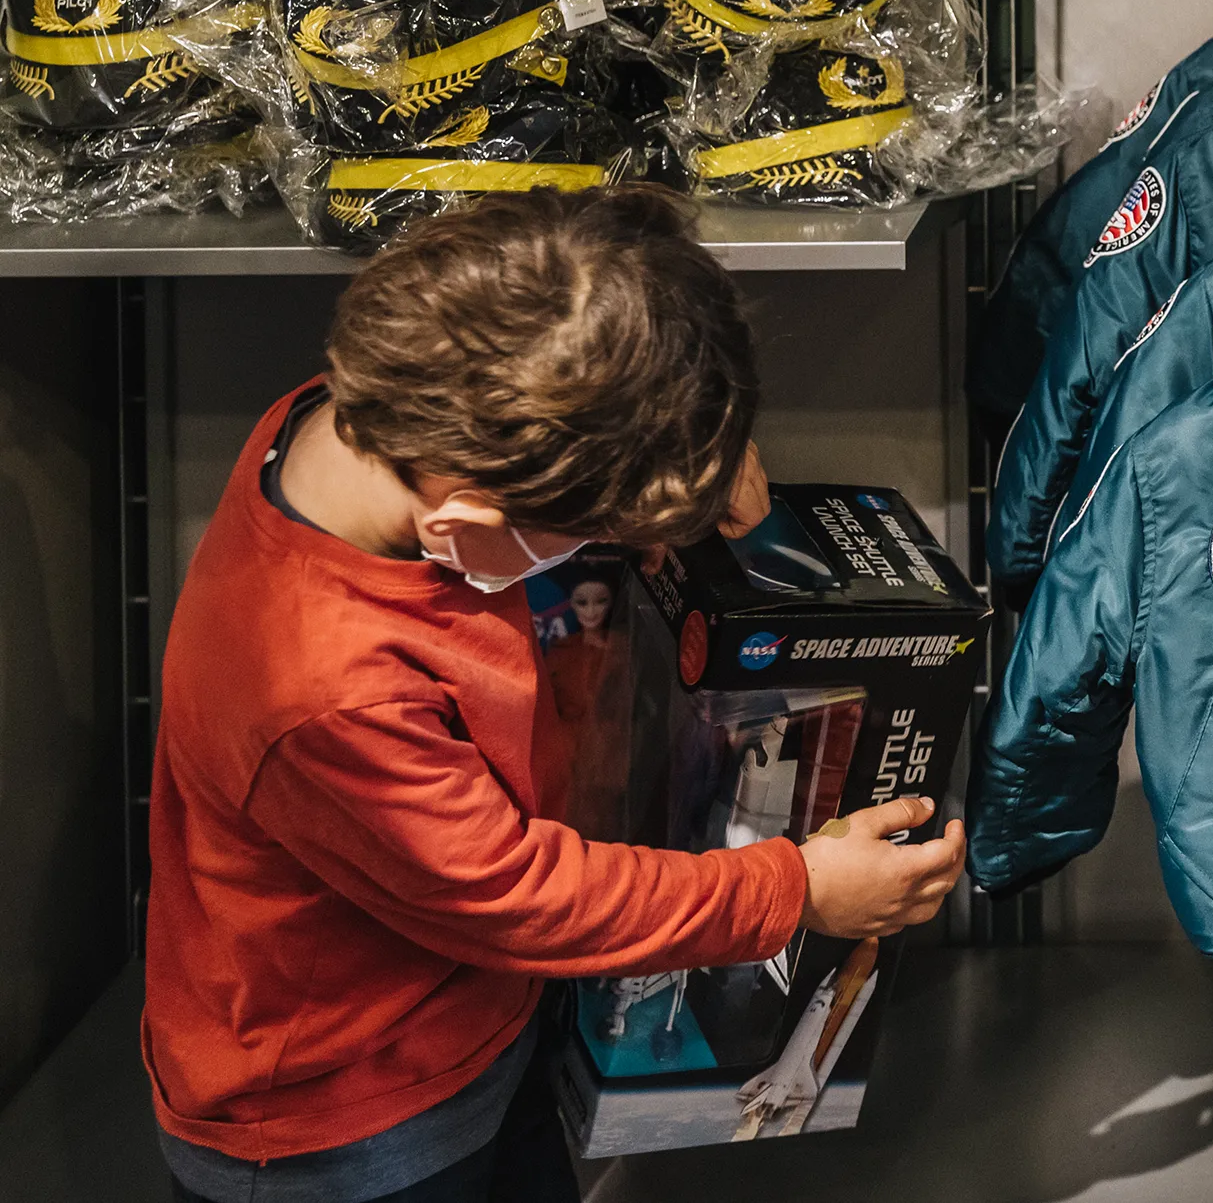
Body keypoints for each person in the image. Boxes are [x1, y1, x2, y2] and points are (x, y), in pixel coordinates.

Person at [143, 184, 966, 1203]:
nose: (619, 550)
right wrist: (793, 890)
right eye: (595, 534)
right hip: (350, 1127)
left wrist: (681, 470)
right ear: (465, 517)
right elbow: (518, 895)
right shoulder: (322, 684)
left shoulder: (362, 415)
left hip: (468, 1028)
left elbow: (578, 335)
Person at [545, 571, 628, 842]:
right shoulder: (562, 650)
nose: (591, 610)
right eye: (582, 602)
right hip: (568, 751)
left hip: (612, 749)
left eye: (601, 601)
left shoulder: (623, 648)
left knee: (608, 825)